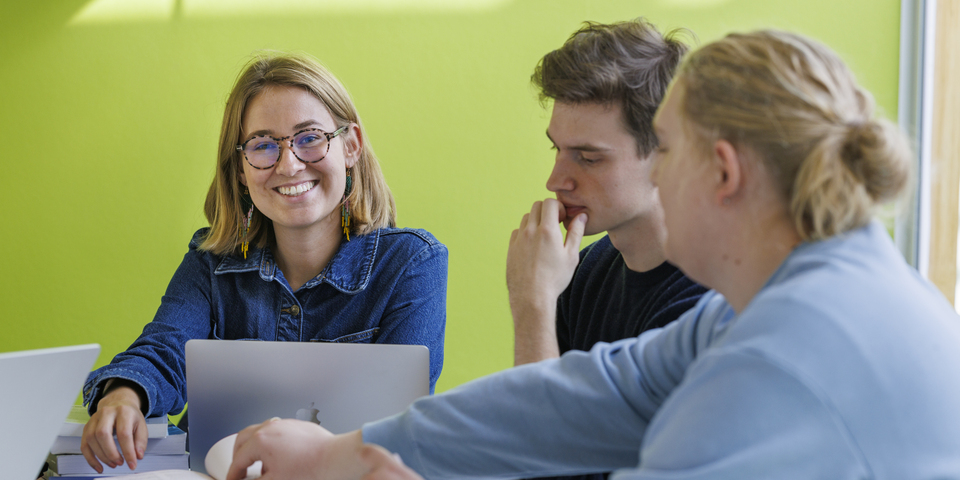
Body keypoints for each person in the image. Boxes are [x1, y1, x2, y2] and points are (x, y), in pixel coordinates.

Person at [226, 30, 960, 480]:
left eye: (666, 151)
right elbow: (581, 397)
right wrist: (343, 453)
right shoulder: (779, 303)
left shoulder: (787, 355)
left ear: (725, 173)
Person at [78, 52, 447, 475]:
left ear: (351, 146)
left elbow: (401, 431)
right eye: (263, 145)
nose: (288, 165)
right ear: (241, 168)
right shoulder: (210, 264)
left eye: (309, 137)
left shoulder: (411, 264)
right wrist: (124, 392)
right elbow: (164, 350)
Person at [507, 19, 706, 480]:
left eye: (589, 157)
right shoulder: (589, 266)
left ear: (667, 154)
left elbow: (552, 469)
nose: (556, 181)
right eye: (557, 150)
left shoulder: (705, 305)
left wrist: (533, 306)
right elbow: (520, 440)